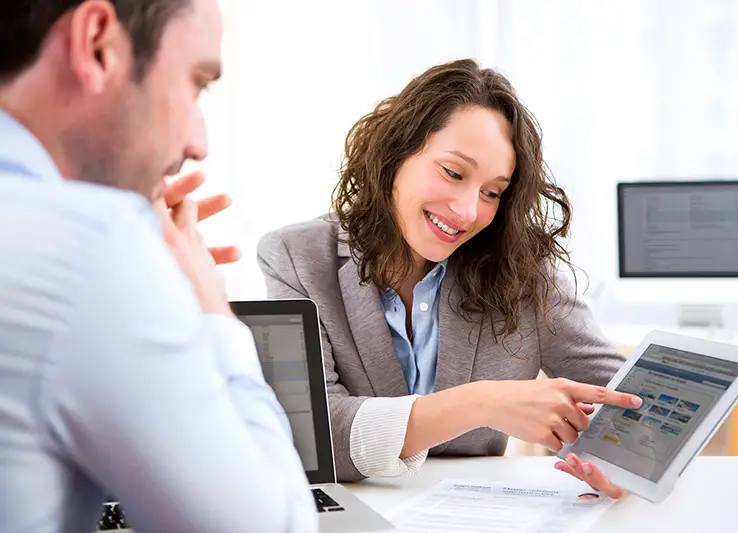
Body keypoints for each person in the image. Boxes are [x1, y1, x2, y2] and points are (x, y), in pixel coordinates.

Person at [257, 59, 641, 498]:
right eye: (453, 173)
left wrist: (621, 459)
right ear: (396, 154)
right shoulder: (295, 256)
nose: (467, 212)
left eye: (492, 192)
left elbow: (624, 399)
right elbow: (309, 437)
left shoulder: (521, 265)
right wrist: (482, 403)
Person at [0, 1, 315, 532]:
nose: (199, 143)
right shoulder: (92, 249)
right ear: (98, 43)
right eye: (197, 85)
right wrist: (210, 305)